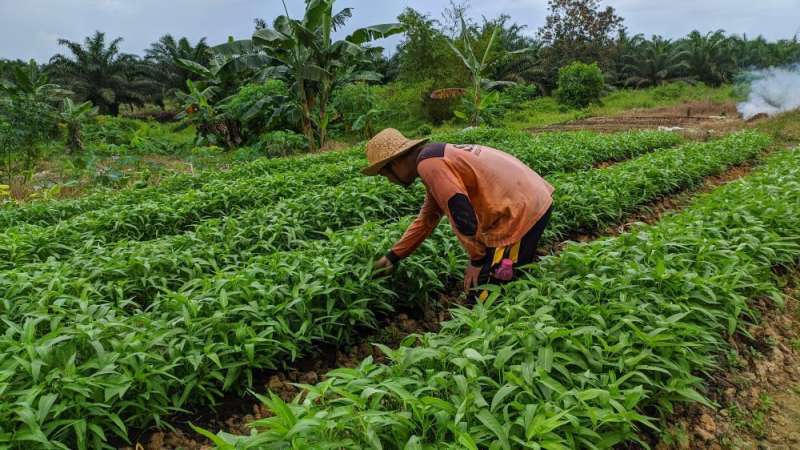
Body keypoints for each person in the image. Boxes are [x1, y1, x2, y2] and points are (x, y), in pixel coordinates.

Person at [364, 128, 554, 295]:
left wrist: (477, 260)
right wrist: (393, 256)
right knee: (496, 286)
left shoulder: (429, 164)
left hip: (520, 212)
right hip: (527, 200)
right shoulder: (434, 158)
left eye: (385, 174)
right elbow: (427, 219)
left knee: (487, 295)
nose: (389, 180)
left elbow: (461, 212)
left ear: (395, 163)